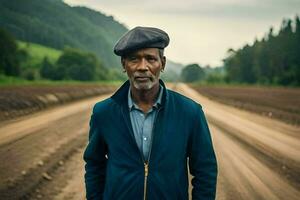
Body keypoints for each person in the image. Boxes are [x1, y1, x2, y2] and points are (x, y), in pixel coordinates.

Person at [84, 26, 218, 200]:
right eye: (134, 59)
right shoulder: (104, 112)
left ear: (162, 63)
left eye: (150, 59)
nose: (142, 67)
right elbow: (95, 165)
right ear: (124, 64)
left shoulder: (190, 112)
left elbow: (205, 171)